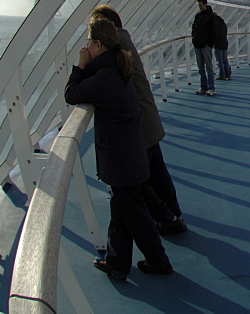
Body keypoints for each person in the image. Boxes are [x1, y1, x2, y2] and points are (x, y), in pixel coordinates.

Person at [65, 16, 174, 280]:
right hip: (129, 153)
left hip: (121, 159)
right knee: (123, 210)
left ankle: (160, 263)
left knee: (135, 215)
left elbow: (72, 94)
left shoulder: (106, 77)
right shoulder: (117, 65)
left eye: (89, 43)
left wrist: (80, 66)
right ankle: (117, 263)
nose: (87, 47)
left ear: (99, 45)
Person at [91, 4, 187, 236]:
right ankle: (173, 214)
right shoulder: (125, 42)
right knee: (156, 172)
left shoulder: (116, 48)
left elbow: (96, 80)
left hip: (136, 126)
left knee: (137, 181)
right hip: (147, 120)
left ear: (109, 27)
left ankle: (166, 218)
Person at [191, 0, 216, 96]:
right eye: (199, 6)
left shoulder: (211, 17)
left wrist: (209, 44)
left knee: (209, 67)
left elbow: (214, 31)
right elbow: (194, 28)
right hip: (198, 45)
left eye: (201, 5)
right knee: (200, 67)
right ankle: (203, 87)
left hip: (206, 45)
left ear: (205, 4)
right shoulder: (198, 16)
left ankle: (211, 88)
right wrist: (194, 38)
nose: (199, 7)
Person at [213, 11, 232, 80]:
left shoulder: (215, 24)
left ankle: (222, 75)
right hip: (224, 43)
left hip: (218, 44)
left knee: (220, 60)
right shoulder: (223, 23)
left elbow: (215, 34)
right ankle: (228, 75)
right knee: (225, 60)